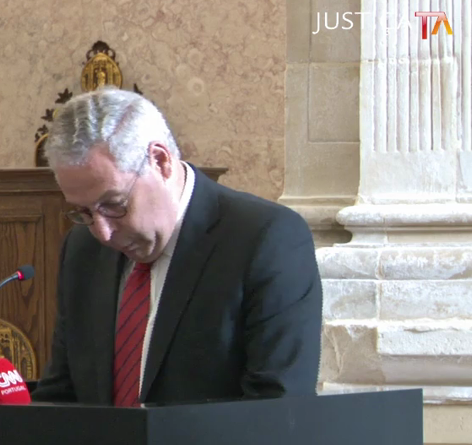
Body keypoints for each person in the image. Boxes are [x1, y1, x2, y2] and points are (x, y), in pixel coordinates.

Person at [31, 86, 322, 407]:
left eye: (113, 205)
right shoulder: (82, 249)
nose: (103, 233)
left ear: (160, 161)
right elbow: (62, 396)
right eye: (83, 212)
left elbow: (277, 408)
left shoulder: (265, 239)